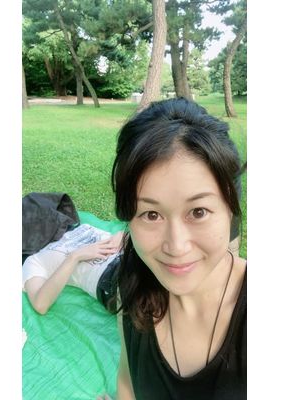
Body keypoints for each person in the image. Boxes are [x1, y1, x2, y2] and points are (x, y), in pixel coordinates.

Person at [100, 98, 247, 399]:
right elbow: (127, 382)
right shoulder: (132, 288)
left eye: (198, 212)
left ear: (230, 210)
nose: (176, 247)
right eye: (151, 214)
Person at [23, 223, 123, 315]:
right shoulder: (34, 261)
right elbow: (40, 305)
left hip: (127, 257)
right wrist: (75, 256)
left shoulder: (81, 226)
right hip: (111, 277)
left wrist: (123, 235)